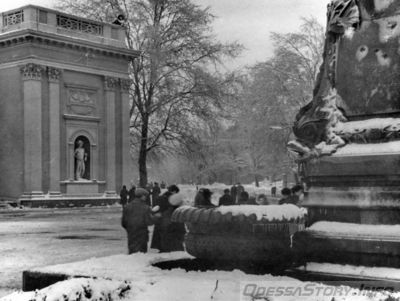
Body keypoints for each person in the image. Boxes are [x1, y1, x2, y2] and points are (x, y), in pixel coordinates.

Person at [121, 188, 160, 254]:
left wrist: (130, 229)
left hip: (131, 234)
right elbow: (148, 221)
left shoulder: (127, 207)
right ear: (142, 196)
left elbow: (124, 222)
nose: (146, 198)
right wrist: (156, 217)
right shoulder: (145, 208)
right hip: (142, 234)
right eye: (145, 196)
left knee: (132, 253)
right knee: (141, 254)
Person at [151, 185, 180, 251]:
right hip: (168, 221)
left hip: (160, 220)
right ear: (174, 191)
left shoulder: (161, 197)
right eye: (176, 192)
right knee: (168, 238)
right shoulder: (172, 199)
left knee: (161, 237)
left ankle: (161, 248)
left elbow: (156, 208)